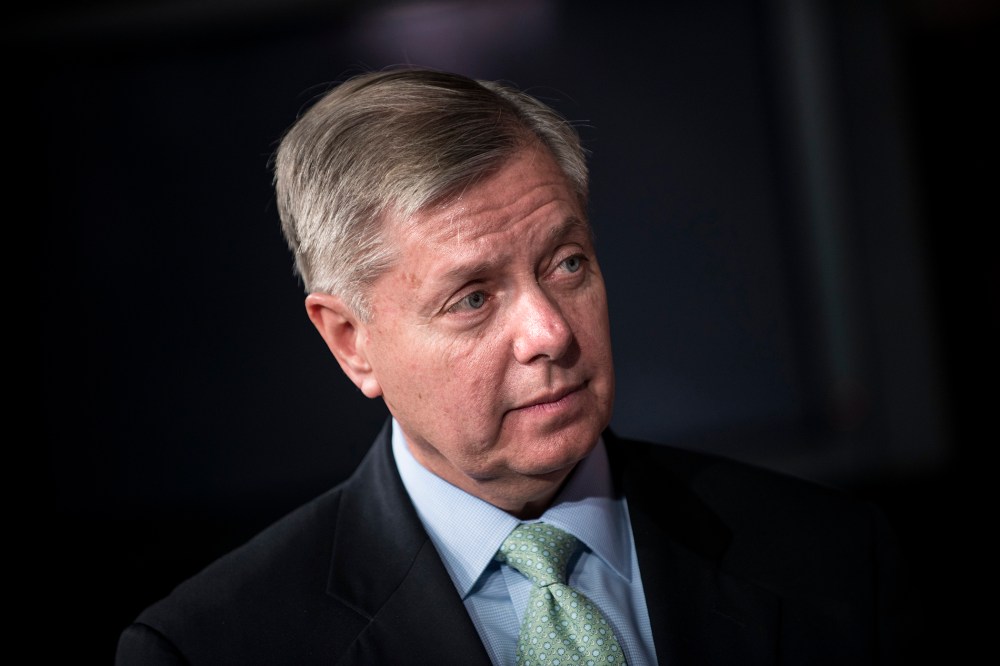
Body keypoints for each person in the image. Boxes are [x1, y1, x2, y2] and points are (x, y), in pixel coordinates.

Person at [116, 67, 909, 665]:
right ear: (351, 341)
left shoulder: (836, 560)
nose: (550, 333)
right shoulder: (209, 649)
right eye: (472, 298)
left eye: (567, 264)